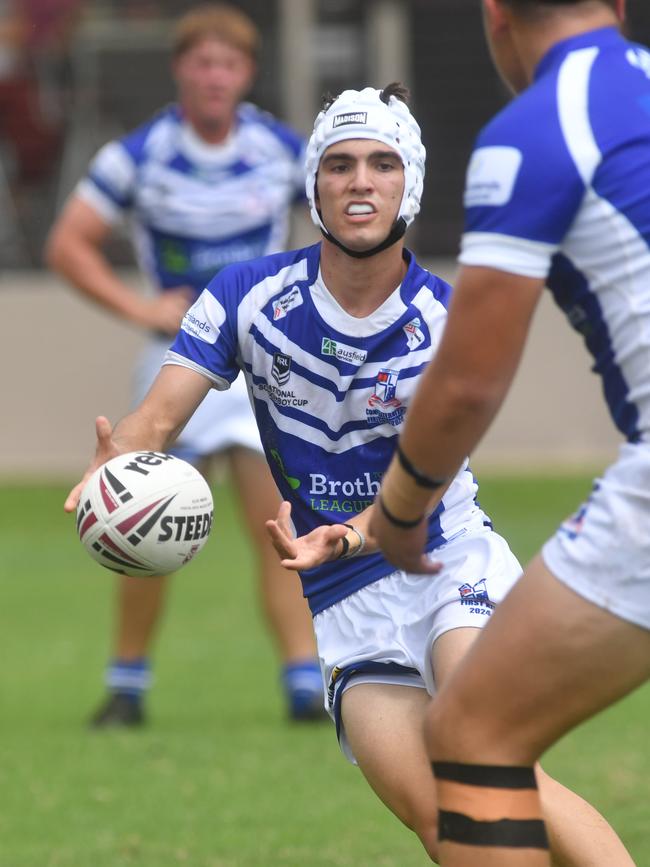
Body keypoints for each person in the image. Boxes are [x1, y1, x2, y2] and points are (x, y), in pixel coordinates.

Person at [64, 81, 635, 865]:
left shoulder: (447, 321)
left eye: (380, 163)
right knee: (443, 825)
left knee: (490, 763)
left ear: (411, 184)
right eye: (338, 164)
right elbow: (159, 419)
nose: (359, 180)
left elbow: (424, 481)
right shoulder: (246, 295)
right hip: (341, 601)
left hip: (441, 558)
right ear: (314, 184)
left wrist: (356, 532)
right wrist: (118, 463)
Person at [371, 2, 650, 865]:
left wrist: (402, 503)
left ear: (495, 13)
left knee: (474, 730)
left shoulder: (536, 130)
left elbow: (466, 381)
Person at [46, 2, 324, 727]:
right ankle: (127, 684)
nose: (214, 76)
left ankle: (302, 679)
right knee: (145, 518)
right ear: (181, 70)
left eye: (227, 64)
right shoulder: (139, 154)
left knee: (277, 519)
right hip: (176, 361)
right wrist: (140, 309)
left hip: (262, 361)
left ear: (247, 74)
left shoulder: (277, 148)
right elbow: (69, 242)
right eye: (201, 62)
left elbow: (339, 215)